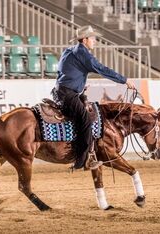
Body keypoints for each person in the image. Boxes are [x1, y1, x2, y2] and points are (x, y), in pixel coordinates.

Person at [51, 25, 135, 170]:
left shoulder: (69, 51)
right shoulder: (84, 54)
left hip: (62, 91)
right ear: (85, 40)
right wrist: (124, 80)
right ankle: (83, 160)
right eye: (93, 38)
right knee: (85, 120)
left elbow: (63, 72)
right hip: (68, 94)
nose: (95, 41)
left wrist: (77, 85)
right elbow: (102, 69)